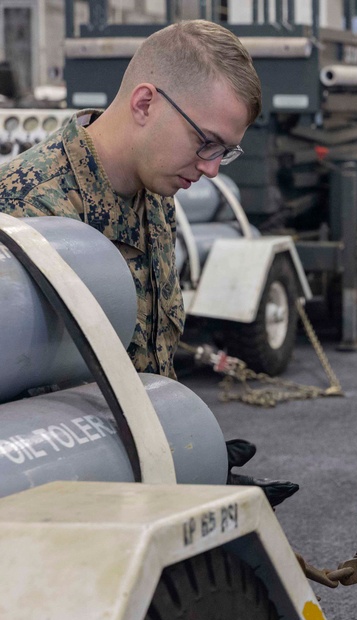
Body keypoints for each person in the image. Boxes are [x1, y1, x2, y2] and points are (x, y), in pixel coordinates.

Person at [0, 20, 260, 379]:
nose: (212, 169)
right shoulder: (26, 210)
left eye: (225, 152)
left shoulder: (155, 191)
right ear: (144, 104)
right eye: (207, 142)